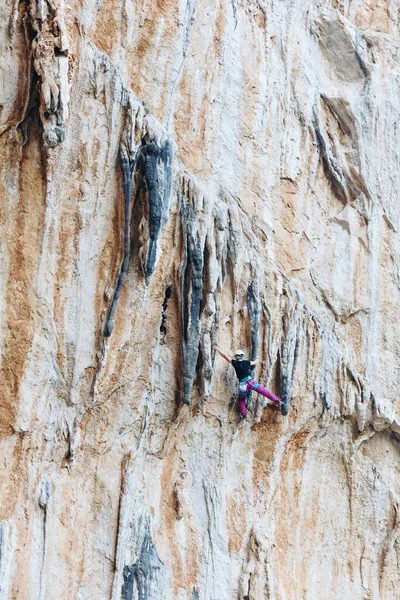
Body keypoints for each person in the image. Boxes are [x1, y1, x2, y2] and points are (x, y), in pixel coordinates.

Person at [213, 346, 282, 418]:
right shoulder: (246, 362)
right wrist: (257, 358)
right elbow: (255, 362)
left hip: (243, 387)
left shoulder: (234, 363)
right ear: (242, 356)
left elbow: (224, 356)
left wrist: (217, 348)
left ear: (236, 357)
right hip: (251, 383)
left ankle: (244, 414)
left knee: (241, 400)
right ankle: (278, 401)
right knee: (264, 392)